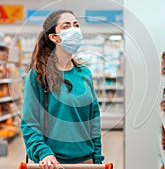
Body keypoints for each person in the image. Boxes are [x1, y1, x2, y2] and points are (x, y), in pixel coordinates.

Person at [20, 10, 104, 169]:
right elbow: (30, 122)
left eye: (76, 25)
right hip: (53, 163)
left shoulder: (84, 73)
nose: (74, 30)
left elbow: (94, 120)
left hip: (87, 162)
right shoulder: (37, 76)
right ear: (54, 37)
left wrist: (97, 159)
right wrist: (44, 153)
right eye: (66, 27)